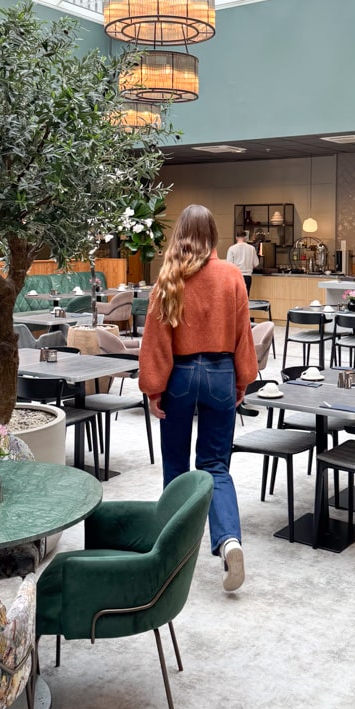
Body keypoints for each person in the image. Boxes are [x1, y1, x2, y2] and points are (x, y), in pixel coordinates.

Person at [139, 205, 258, 593]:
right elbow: (244, 333)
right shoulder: (231, 276)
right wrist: (241, 380)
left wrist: (153, 388)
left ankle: (174, 552)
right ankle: (229, 542)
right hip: (221, 373)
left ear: (180, 233)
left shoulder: (169, 277)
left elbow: (156, 340)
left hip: (181, 375)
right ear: (213, 233)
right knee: (215, 466)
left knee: (176, 464)